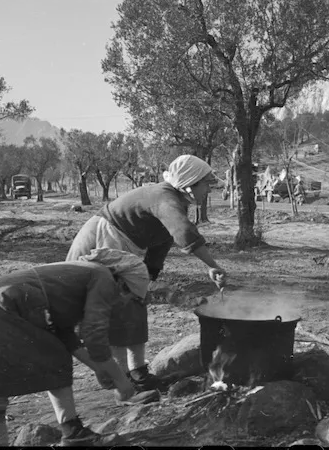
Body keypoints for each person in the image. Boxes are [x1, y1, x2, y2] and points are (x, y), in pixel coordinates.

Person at [0, 248, 158, 446]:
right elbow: (94, 335)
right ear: (122, 283)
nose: (123, 304)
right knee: (47, 362)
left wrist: (99, 369)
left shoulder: (86, 274)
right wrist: (123, 384)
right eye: (128, 297)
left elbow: (64, 333)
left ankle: (9, 441)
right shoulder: (103, 278)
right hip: (11, 301)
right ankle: (73, 434)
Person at [65, 154, 227, 392]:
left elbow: (163, 240)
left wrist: (150, 275)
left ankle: (138, 372)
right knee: (117, 309)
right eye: (205, 185)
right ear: (190, 184)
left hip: (123, 247)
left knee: (134, 303)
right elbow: (183, 233)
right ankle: (122, 378)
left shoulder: (175, 201)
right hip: (103, 240)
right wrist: (212, 265)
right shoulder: (164, 197)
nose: (208, 191)